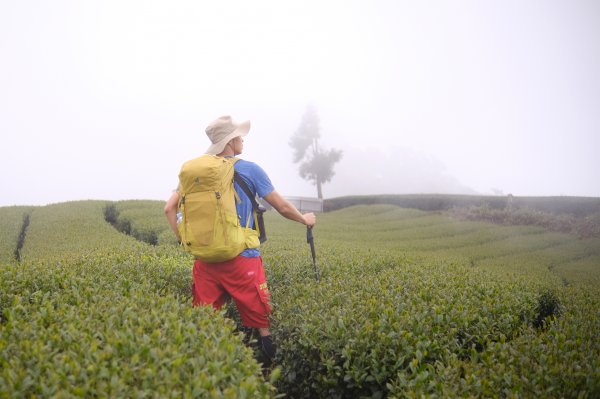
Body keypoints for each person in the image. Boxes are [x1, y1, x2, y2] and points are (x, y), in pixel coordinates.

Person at [164, 115, 316, 361]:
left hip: (205, 262)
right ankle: (269, 374)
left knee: (204, 327)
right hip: (242, 258)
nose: (242, 139)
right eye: (238, 136)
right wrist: (305, 220)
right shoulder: (249, 169)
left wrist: (187, 240)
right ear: (230, 141)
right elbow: (282, 207)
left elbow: (169, 209)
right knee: (263, 323)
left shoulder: (196, 174)